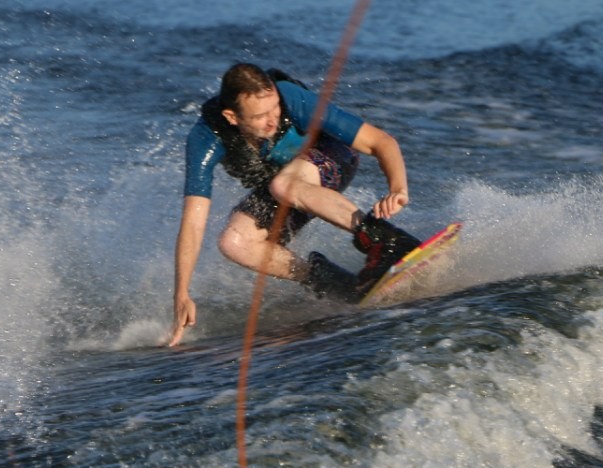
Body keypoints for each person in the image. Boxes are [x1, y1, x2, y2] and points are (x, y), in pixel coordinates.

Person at [168, 63, 420, 346]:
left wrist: (398, 189)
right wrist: (182, 293)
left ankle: (388, 241)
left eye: (274, 108)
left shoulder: (291, 99)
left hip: (333, 158)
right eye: (260, 116)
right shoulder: (205, 139)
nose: (272, 120)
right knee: (234, 242)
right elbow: (192, 223)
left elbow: (381, 142)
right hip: (285, 184)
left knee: (283, 184)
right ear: (232, 117)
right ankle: (339, 285)